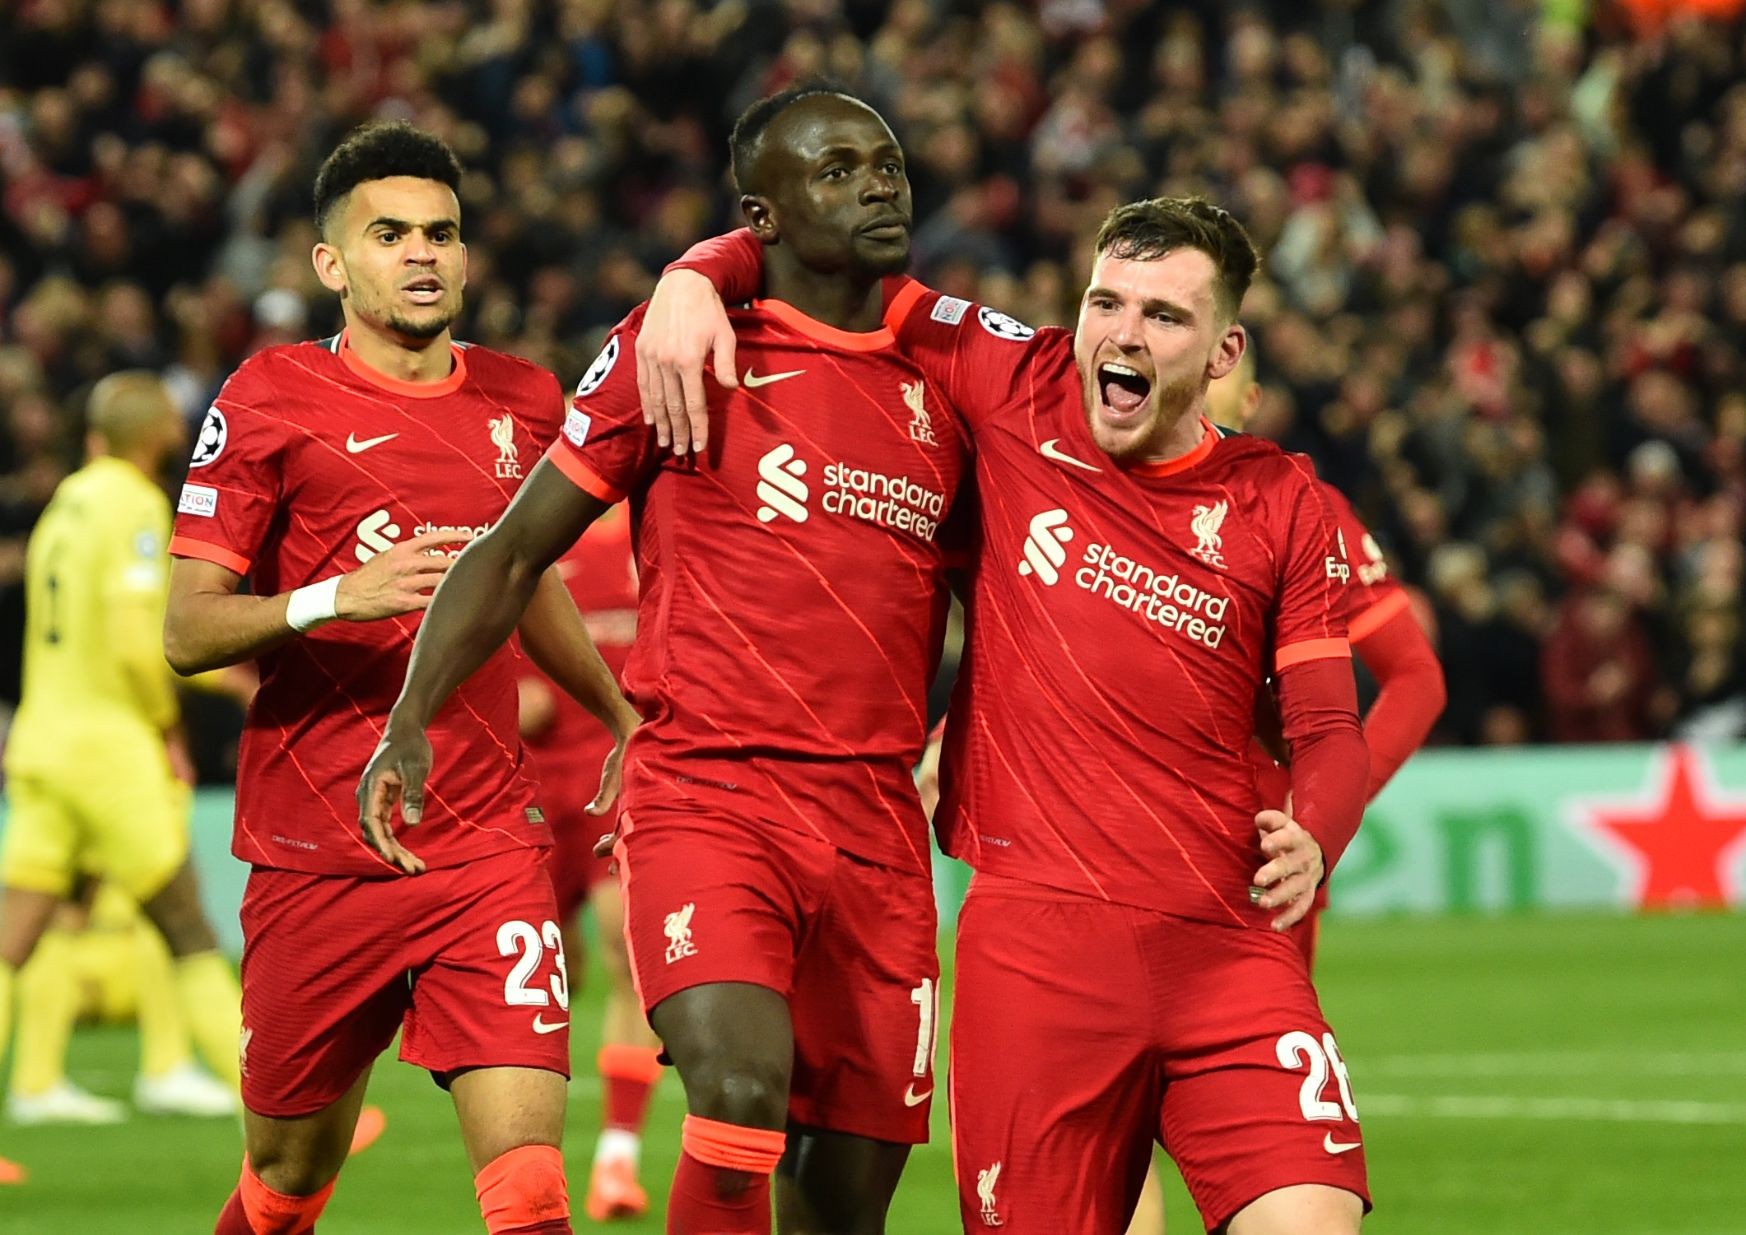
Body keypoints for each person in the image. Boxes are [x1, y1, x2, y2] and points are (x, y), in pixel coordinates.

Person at [644, 196, 1373, 1234]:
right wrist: (693, 275)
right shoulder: (1018, 380)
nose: (1124, 333)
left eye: (1165, 315)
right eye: (1106, 302)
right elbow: (838, 261)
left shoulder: (1280, 500)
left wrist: (1319, 832)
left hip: (1226, 940)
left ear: (1225, 353)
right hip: (1036, 952)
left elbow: (1328, 727)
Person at [358, 87, 965, 1235]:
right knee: (737, 1097)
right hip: (712, 792)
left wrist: (963, 738)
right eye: (835, 170)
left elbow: (1007, 601)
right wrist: (412, 710)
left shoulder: (949, 372)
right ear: (763, 216)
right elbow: (513, 548)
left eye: (885, 164)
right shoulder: (681, 348)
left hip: (879, 825)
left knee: (846, 1201)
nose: (877, 186)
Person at [161, 121, 636, 1235]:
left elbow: (526, 581)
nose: (422, 252)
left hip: (484, 844)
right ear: (332, 263)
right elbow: (186, 630)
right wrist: (337, 596)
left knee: (530, 1186)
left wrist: (622, 713)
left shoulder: (525, 400)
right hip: (315, 850)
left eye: (441, 232)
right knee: (285, 1181)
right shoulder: (270, 396)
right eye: (389, 234)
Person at [0, 369, 244, 1181]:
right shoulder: (136, 507)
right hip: (106, 748)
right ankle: (276, 1110)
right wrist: (171, 723)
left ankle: (49, 1079)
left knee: (12, 940)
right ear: (162, 435)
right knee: (186, 923)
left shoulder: (63, 505)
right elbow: (140, 644)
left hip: (40, 739)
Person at [514, 515, 664, 1222]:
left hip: (616, 780)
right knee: (546, 982)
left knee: (629, 961)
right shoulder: (540, 534)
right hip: (532, 793)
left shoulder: (656, 533)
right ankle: (522, 1166)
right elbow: (523, 696)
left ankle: (616, 1159)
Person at [7, 878, 237, 1124]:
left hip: (125, 980)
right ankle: (37, 1082)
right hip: (79, 985)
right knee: (173, 921)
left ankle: (169, 1067)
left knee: (160, 928)